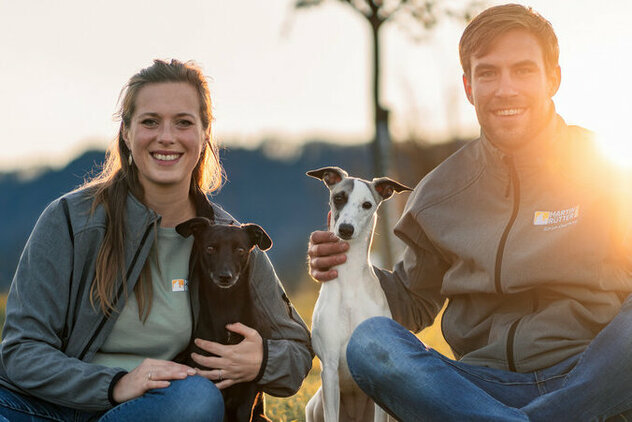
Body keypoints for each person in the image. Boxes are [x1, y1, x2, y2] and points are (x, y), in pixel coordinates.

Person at [308, 4, 632, 421]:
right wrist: (345, 261)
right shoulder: (439, 193)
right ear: (468, 86)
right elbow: (411, 303)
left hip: (589, 375)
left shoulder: (607, 171)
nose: (505, 88)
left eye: (523, 70)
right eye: (488, 73)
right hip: (476, 387)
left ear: (554, 78)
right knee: (371, 341)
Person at [0, 59, 312, 421]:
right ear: (127, 134)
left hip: (159, 409)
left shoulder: (229, 242)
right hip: (42, 410)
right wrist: (116, 383)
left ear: (204, 135)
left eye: (183, 122)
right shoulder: (71, 220)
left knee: (196, 398)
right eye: (150, 122)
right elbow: (22, 350)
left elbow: (298, 350)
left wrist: (263, 361)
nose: (167, 136)